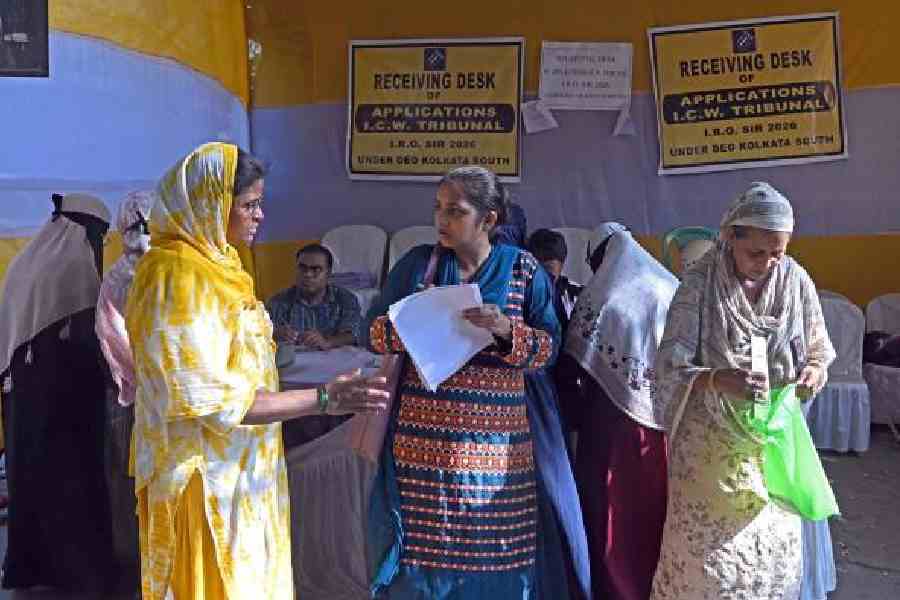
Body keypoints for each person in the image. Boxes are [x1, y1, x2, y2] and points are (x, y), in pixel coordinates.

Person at [125, 142, 388, 600]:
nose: (260, 216)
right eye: (249, 205)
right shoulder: (175, 276)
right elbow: (211, 401)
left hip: (242, 473)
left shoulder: (220, 265)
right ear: (210, 204)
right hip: (203, 482)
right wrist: (323, 398)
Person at [366, 165, 586, 599]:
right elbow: (372, 334)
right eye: (438, 208)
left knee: (497, 558)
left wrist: (505, 330)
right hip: (423, 456)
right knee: (423, 564)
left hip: (497, 453)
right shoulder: (418, 266)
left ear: (489, 219)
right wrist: (415, 320)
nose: (441, 220)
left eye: (455, 211)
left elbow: (548, 351)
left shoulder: (523, 271)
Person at [649, 182, 836, 600]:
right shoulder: (699, 285)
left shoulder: (794, 280)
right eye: (756, 252)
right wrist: (717, 378)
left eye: (777, 253)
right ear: (730, 236)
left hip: (773, 442)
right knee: (710, 563)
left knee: (771, 554)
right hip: (710, 445)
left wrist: (813, 372)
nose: (767, 263)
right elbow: (670, 363)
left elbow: (819, 349)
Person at [0, 193, 117, 593]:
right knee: (71, 486)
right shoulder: (73, 265)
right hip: (63, 403)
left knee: (29, 480)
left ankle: (31, 571)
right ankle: (81, 577)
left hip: (22, 398)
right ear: (83, 229)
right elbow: (90, 338)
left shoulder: (25, 261)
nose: (99, 245)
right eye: (99, 236)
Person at [562, 222, 676, 600]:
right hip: (661, 426)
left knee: (610, 512)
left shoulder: (603, 294)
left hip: (609, 425)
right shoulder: (670, 286)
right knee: (651, 510)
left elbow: (573, 363)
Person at [95, 190, 155, 587]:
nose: (145, 235)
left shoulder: (135, 271)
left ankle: (142, 564)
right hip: (135, 391)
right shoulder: (131, 275)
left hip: (142, 389)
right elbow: (119, 341)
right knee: (131, 478)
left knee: (134, 478)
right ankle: (136, 565)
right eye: (139, 225)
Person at [268, 243, 362, 350]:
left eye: (316, 269)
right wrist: (274, 334)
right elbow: (258, 335)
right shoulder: (278, 302)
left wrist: (328, 342)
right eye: (302, 268)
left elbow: (353, 334)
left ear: (328, 273)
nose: (307, 274)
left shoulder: (346, 299)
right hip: (294, 359)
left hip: (335, 359)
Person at [527, 228, 583, 333]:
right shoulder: (518, 294)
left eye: (548, 273)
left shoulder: (579, 296)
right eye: (536, 274)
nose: (542, 280)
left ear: (562, 266)